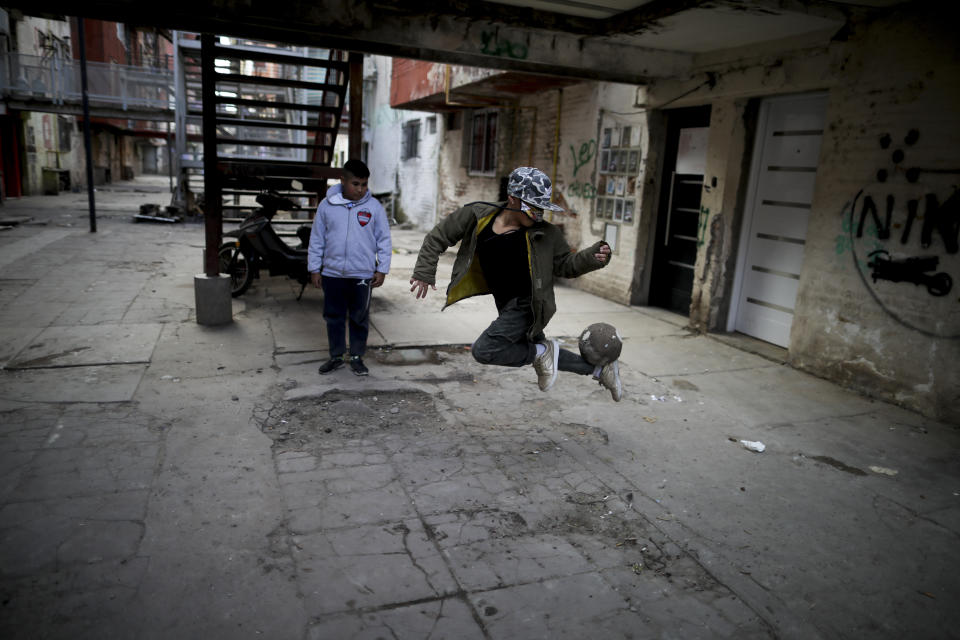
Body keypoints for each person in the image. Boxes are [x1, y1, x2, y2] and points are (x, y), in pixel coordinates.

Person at [409, 166, 622, 401]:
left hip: (529, 304)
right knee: (535, 351)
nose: (539, 214)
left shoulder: (546, 234)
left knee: (485, 350)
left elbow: (564, 265)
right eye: (533, 208)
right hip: (505, 303)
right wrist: (424, 272)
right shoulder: (477, 215)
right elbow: (437, 236)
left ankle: (543, 352)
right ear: (512, 198)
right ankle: (601, 369)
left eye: (542, 208)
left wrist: (591, 258)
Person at [308, 159, 392, 376]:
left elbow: (384, 240)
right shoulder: (327, 206)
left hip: (362, 275)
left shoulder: (374, 208)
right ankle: (336, 357)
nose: (361, 189)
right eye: (355, 183)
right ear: (342, 180)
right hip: (332, 273)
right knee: (333, 317)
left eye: (364, 184)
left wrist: (382, 269)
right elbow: (317, 239)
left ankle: (356, 357)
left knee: (359, 317)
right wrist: (315, 269)